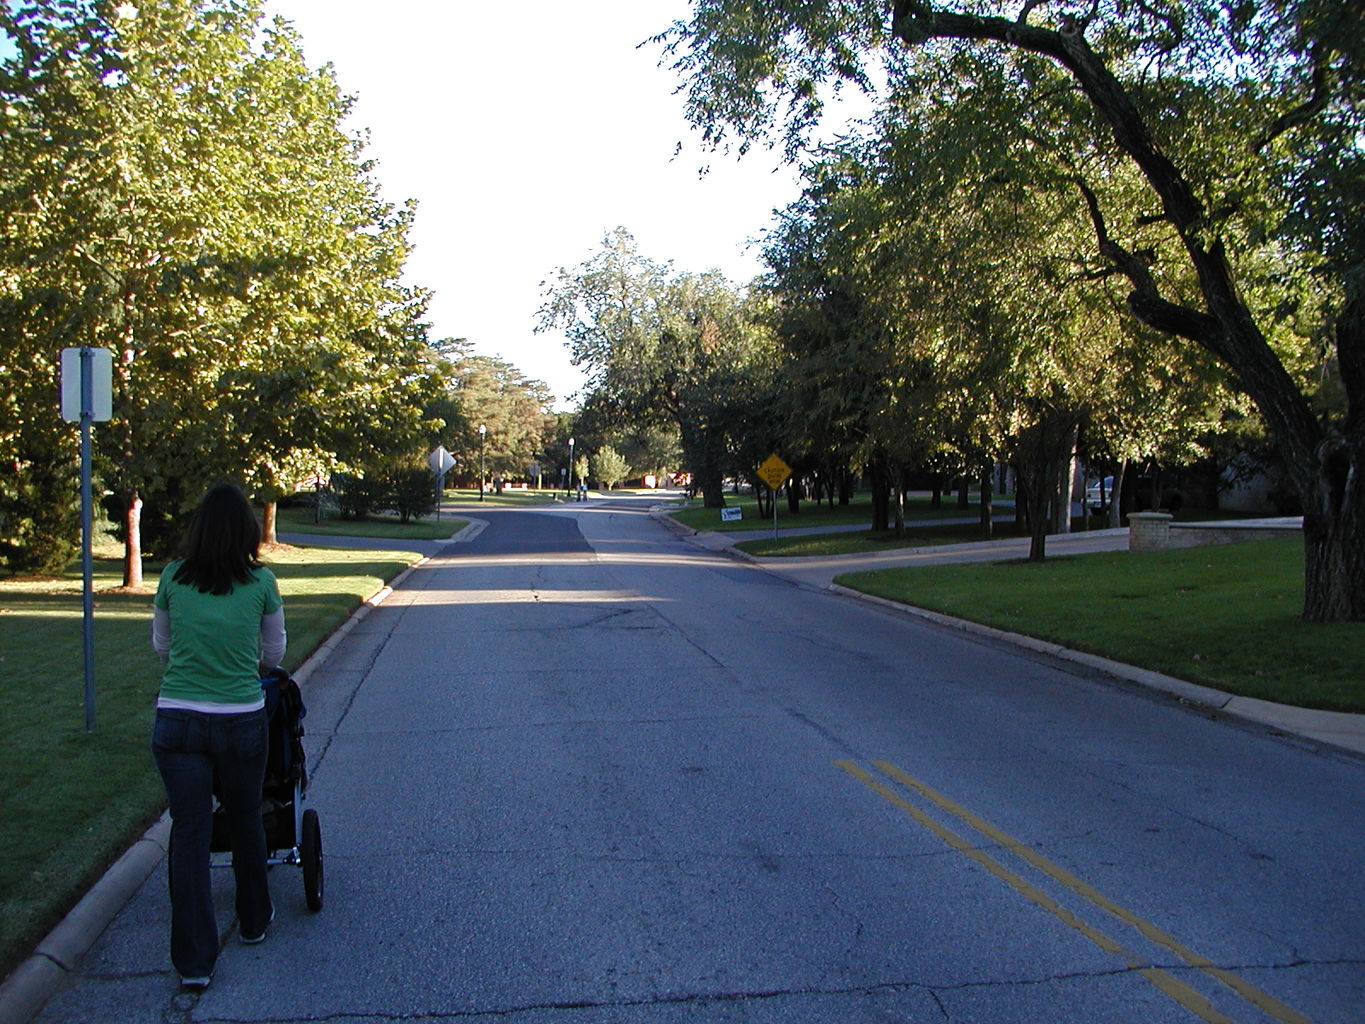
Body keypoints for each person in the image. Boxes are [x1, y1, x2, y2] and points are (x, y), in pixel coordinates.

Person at [150, 482, 287, 989]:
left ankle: (194, 961)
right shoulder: (262, 583)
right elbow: (273, 655)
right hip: (240, 721)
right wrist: (243, 665)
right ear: (249, 533)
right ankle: (253, 919)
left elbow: (162, 645)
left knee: (190, 833)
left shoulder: (171, 578)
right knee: (246, 815)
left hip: (178, 720)